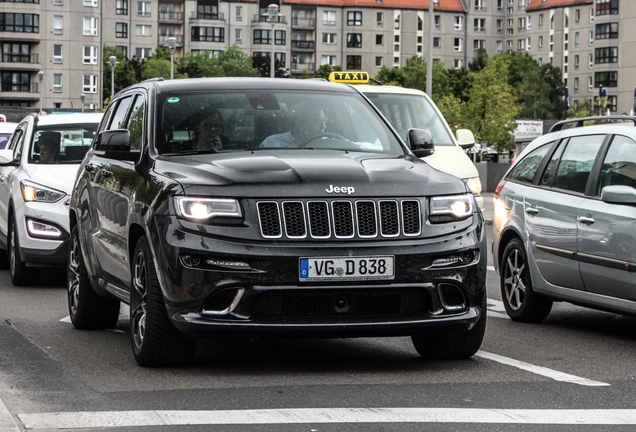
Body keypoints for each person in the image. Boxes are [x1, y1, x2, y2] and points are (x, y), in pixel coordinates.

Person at [260, 102, 327, 148]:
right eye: (316, 121)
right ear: (298, 123)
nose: (323, 126)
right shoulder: (273, 143)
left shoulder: (330, 143)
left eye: (324, 120)